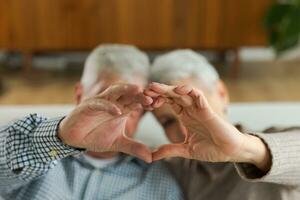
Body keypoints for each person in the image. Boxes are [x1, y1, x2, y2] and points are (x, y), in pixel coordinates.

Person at [0, 45, 183, 200]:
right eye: (106, 98)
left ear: (143, 112)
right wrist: (60, 137)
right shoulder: (31, 151)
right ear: (80, 95)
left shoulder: (161, 181)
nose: (117, 113)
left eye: (132, 103)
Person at [144, 49, 300, 200]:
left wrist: (244, 150)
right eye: (167, 122)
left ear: (221, 93)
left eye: (191, 109)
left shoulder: (276, 139)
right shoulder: (178, 170)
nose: (185, 130)